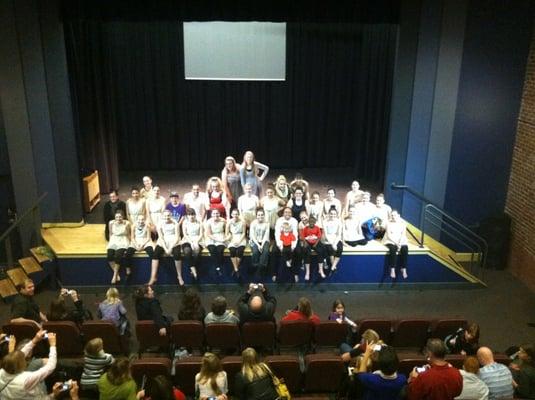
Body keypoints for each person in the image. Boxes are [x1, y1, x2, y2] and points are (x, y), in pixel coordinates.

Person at [0, 330, 57, 399]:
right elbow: (50, 367)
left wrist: (35, 340)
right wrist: (52, 345)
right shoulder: (26, 380)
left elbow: (20, 355)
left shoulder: (2, 372)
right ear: (21, 365)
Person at [153, 209, 183, 286]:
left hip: (174, 241)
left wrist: (170, 248)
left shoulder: (175, 223)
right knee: (156, 253)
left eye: (168, 215)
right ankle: (153, 276)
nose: (167, 217)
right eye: (165, 216)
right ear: (163, 216)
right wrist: (166, 248)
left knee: (177, 254)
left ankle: (179, 275)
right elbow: (161, 237)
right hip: (164, 241)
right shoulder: (160, 224)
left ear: (171, 216)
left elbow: (177, 236)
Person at [272, 207, 300, 283]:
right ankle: (274, 274)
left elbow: (295, 234)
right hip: (281, 240)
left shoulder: (294, 221)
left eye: (289, 212)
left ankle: (295, 274)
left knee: (297, 252)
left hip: (291, 240)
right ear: (283, 213)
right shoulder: (279, 220)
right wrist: (280, 246)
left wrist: (293, 246)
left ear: (291, 214)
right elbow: (277, 234)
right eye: (286, 212)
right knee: (274, 252)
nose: (287, 214)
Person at [125, 214, 154, 280]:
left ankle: (153, 272)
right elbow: (132, 238)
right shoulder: (134, 226)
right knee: (128, 253)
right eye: (139, 220)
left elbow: (148, 238)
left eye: (142, 219)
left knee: (152, 253)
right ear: (137, 220)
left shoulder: (147, 226)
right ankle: (128, 270)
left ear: (144, 220)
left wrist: (142, 245)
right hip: (136, 241)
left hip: (145, 241)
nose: (141, 221)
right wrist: (136, 245)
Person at [382, 210, 409, 279]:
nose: (393, 217)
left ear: (398, 215)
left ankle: (404, 268)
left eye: (394, 215)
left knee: (405, 248)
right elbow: (389, 235)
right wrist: (396, 243)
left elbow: (403, 234)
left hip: (400, 239)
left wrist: (400, 242)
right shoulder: (388, 223)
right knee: (393, 248)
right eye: (392, 215)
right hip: (390, 240)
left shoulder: (403, 223)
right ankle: (392, 269)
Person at [107, 210, 131, 284]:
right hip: (114, 240)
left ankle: (115, 275)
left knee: (118, 256)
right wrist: (110, 243)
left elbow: (128, 234)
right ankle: (116, 273)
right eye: (116, 217)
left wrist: (130, 244)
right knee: (110, 255)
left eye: (120, 216)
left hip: (123, 240)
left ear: (123, 217)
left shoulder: (127, 223)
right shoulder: (111, 223)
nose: (118, 218)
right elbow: (110, 233)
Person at [300, 215, 326, 280]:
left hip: (315, 242)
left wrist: (316, 243)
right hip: (308, 242)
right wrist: (305, 242)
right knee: (306, 252)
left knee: (320, 251)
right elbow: (302, 237)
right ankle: (307, 272)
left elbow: (319, 236)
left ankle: (320, 270)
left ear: (315, 222)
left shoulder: (317, 228)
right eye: (310, 222)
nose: (311, 223)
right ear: (308, 222)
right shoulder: (305, 228)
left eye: (313, 222)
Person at [181, 208, 203, 281]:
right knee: (187, 251)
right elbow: (185, 234)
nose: (191, 216)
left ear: (195, 215)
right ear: (187, 216)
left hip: (198, 239)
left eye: (193, 214)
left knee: (197, 250)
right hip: (187, 239)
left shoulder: (199, 222)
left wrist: (196, 242)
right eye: (189, 215)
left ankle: (193, 266)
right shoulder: (185, 222)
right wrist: (191, 242)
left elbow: (201, 234)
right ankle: (193, 269)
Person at [204, 209, 227, 277]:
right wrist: (216, 239)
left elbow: (226, 231)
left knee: (220, 250)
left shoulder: (223, 221)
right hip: (211, 238)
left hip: (221, 236)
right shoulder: (208, 222)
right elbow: (209, 234)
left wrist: (224, 239)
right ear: (211, 215)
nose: (215, 215)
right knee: (212, 250)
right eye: (214, 213)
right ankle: (218, 268)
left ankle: (218, 266)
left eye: (217, 213)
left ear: (219, 214)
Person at [249, 208, 270, 278]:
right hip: (254, 240)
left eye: (262, 215)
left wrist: (262, 245)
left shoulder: (267, 223)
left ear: (264, 215)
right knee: (255, 252)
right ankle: (255, 266)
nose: (260, 216)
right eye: (258, 215)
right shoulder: (253, 223)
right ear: (256, 216)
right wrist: (258, 245)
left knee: (266, 251)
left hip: (264, 240)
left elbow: (266, 236)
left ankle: (260, 269)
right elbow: (252, 235)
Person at [226, 209, 246, 277]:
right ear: (231, 215)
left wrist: (239, 241)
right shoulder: (229, 222)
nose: (235, 215)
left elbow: (243, 233)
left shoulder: (243, 222)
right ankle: (236, 269)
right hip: (232, 237)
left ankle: (235, 269)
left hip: (240, 237)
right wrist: (231, 240)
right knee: (232, 250)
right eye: (234, 214)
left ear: (238, 214)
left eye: (236, 214)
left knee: (240, 251)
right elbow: (227, 233)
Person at [322, 207, 343, 273]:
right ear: (328, 214)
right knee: (330, 248)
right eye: (331, 214)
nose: (332, 215)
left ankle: (333, 266)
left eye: (334, 214)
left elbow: (338, 234)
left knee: (340, 248)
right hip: (327, 239)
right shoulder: (324, 221)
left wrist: (335, 243)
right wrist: (332, 243)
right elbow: (326, 234)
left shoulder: (339, 222)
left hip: (336, 239)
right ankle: (333, 267)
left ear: (336, 214)